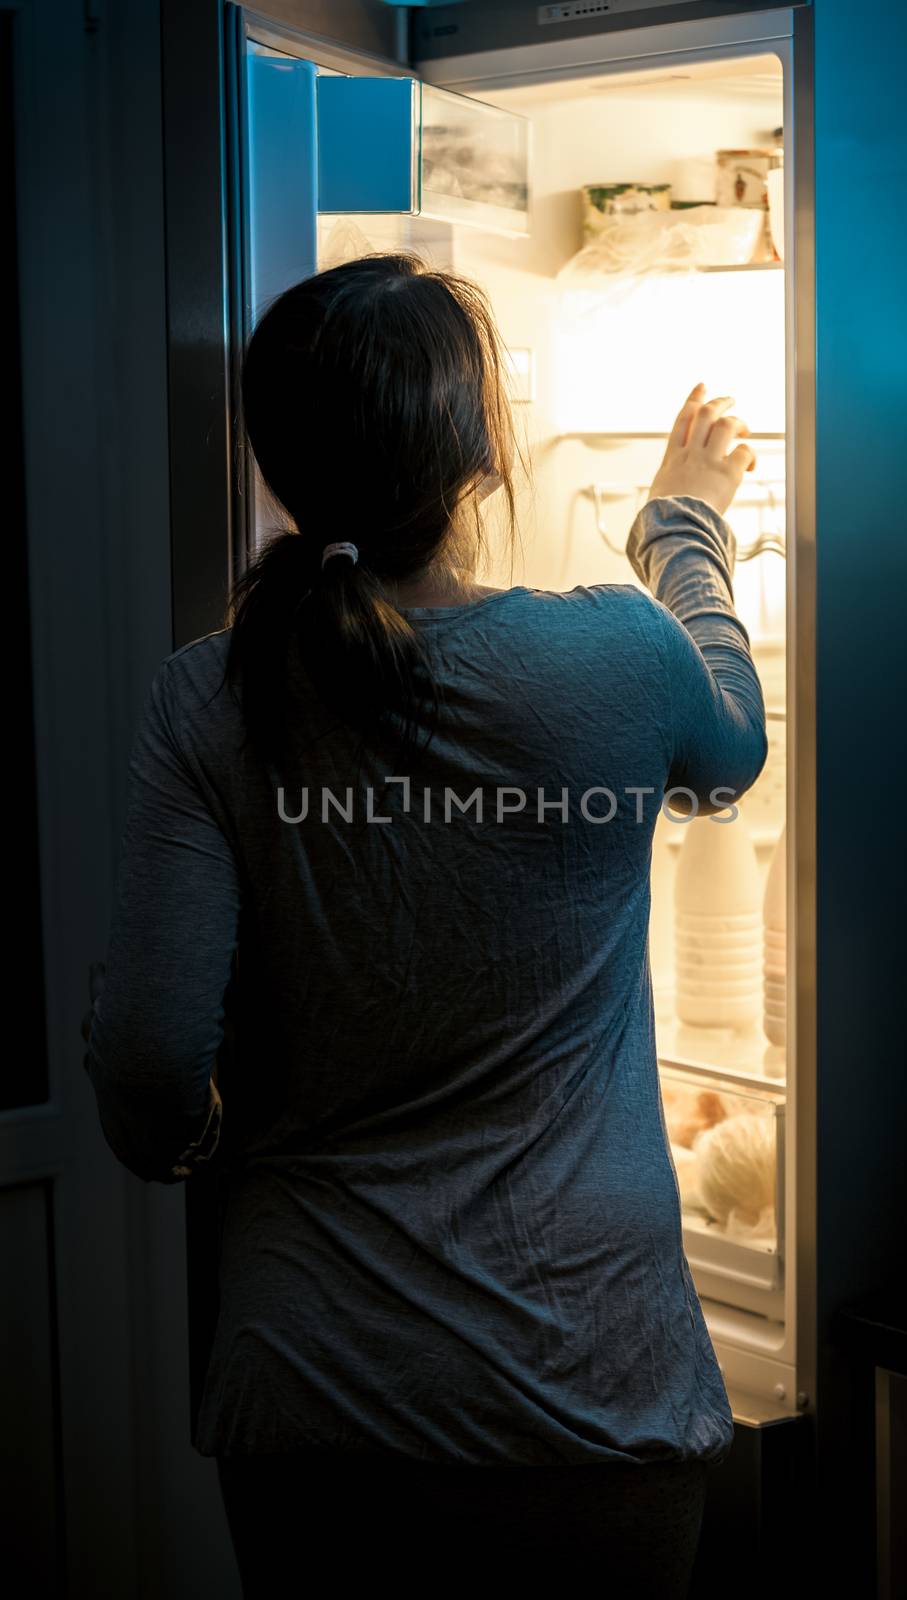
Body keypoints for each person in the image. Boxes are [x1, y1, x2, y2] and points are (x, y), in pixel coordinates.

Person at [83, 253, 767, 1597]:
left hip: (313, 1393)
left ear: (281, 468)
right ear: (479, 457)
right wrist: (683, 525)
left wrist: (230, 1136)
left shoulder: (210, 698)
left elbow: (152, 1073)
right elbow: (729, 744)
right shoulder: (617, 657)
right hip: (588, 1392)